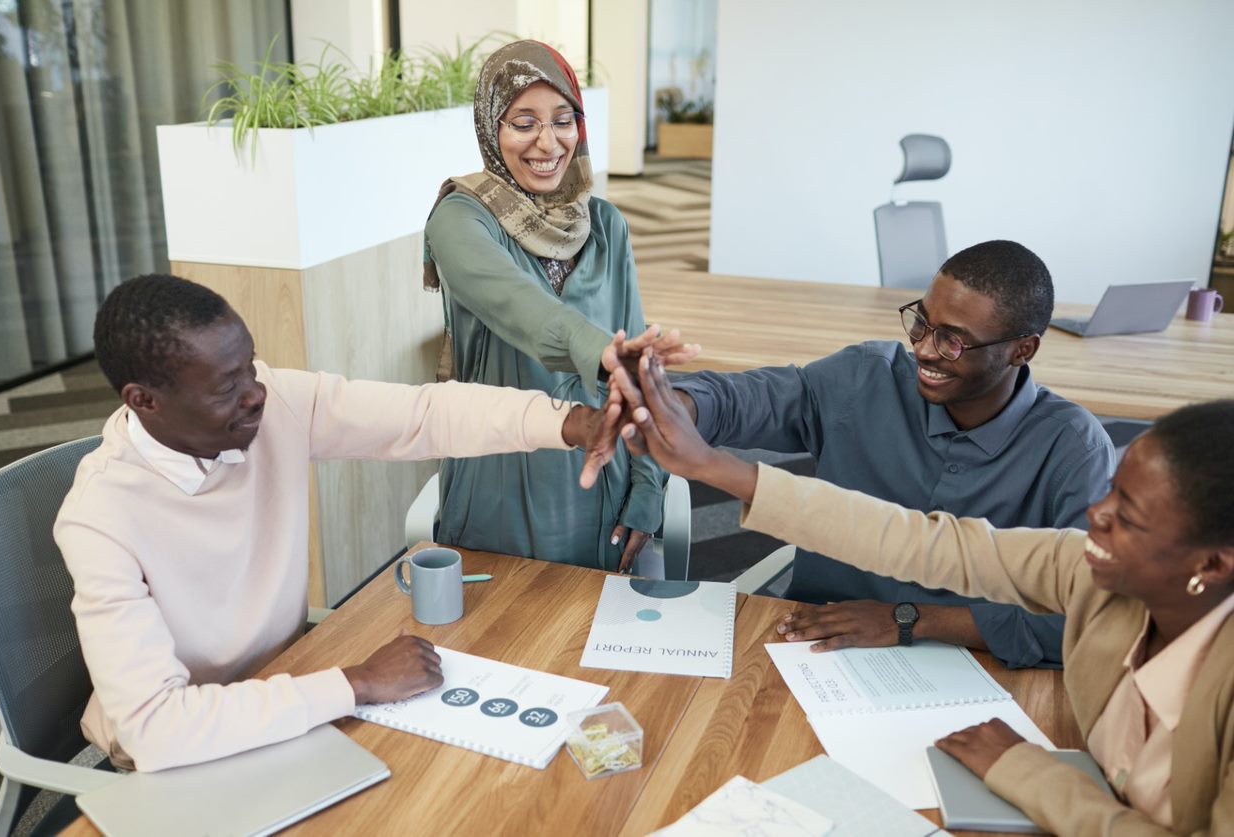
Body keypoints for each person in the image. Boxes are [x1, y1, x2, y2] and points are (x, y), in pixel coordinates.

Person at [615, 356, 1234, 835]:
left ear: (1212, 562)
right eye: (1111, 494)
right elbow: (914, 542)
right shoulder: (1089, 571)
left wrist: (1029, 775)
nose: (1094, 516)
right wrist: (715, 467)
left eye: (1128, 516)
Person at [54, 274, 628, 772]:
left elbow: (422, 415)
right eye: (228, 387)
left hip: (289, 683)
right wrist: (358, 683)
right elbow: (155, 729)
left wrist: (572, 422)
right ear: (144, 400)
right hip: (186, 752)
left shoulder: (270, 401)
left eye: (250, 366)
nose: (256, 395)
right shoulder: (100, 518)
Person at [668, 240, 1116, 668]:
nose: (923, 349)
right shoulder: (867, 378)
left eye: (952, 341)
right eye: (921, 323)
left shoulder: (1074, 449)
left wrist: (912, 620)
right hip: (812, 644)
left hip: (981, 668)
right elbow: (747, 398)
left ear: (1023, 349)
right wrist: (676, 408)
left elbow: (1089, 620)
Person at [423, 39, 696, 573]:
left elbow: (639, 365)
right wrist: (602, 352)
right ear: (489, 127)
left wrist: (647, 489)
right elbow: (521, 308)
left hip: (604, 485)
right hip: (498, 489)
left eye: (563, 120)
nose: (548, 143)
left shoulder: (605, 225)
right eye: (523, 122)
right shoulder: (460, 219)